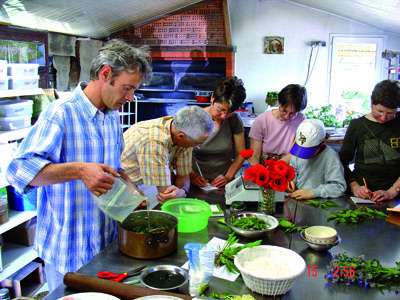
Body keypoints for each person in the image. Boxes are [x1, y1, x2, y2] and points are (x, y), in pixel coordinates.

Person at [6, 39, 152, 291]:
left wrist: (131, 190)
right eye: (127, 88)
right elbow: (18, 170)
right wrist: (79, 170)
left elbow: (113, 169)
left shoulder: (112, 117)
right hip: (68, 253)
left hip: (105, 244)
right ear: (106, 74)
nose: (130, 97)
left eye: (134, 90)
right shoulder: (60, 113)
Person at [121, 106, 213, 204]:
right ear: (181, 136)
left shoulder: (183, 135)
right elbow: (164, 194)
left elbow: (183, 176)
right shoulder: (154, 141)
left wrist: (182, 191)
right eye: (197, 143)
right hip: (125, 186)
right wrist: (177, 194)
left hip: (148, 182)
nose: (197, 147)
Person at [339, 80, 400, 203]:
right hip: (361, 196)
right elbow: (342, 162)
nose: (384, 117)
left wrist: (391, 192)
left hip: (395, 196)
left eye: (390, 113)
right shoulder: (357, 125)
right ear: (371, 103)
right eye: (380, 111)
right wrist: (355, 186)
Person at [190, 77, 247, 188]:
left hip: (223, 180)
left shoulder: (234, 120)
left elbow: (241, 153)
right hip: (196, 179)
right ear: (212, 98)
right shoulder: (194, 117)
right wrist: (192, 176)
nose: (224, 116)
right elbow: (181, 153)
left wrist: (228, 177)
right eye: (220, 109)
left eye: (230, 112)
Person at [287, 119, 346, 200]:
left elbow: (339, 187)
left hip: (319, 201)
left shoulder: (330, 156)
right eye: (301, 149)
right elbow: (293, 170)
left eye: (308, 151)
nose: (303, 155)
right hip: (298, 199)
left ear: (322, 143)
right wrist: (291, 180)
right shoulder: (298, 151)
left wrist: (314, 192)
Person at [249, 84, 307, 164]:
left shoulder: (301, 121)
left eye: (292, 113)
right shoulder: (262, 120)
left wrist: (277, 167)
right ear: (279, 103)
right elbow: (254, 156)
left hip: (287, 165)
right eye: (284, 111)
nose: (287, 116)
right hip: (264, 166)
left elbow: (294, 153)